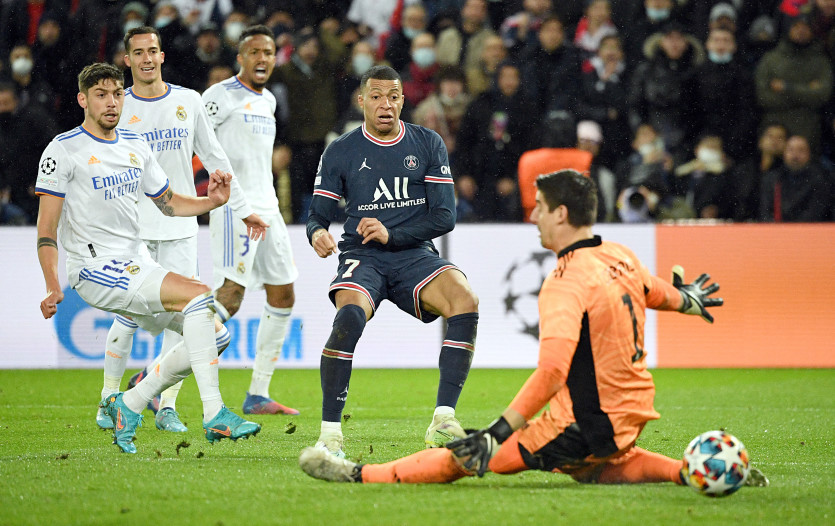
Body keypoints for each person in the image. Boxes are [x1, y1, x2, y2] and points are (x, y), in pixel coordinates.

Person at [298, 169, 767, 489]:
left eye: (540, 207)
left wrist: (497, 432)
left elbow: (552, 372)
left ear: (561, 214)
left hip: (584, 421)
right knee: (597, 464)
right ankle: (688, 472)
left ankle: (357, 474)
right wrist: (689, 301)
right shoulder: (619, 254)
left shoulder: (565, 281)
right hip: (633, 411)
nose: (532, 215)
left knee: (465, 457)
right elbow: (656, 291)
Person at [36, 62, 260, 454]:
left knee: (217, 335)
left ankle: (131, 401)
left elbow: (169, 203)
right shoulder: (63, 149)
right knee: (198, 295)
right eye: (101, 95)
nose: (111, 102)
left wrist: (212, 201)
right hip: (93, 268)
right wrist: (53, 285)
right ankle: (214, 414)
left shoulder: (135, 144)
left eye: (116, 93)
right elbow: (46, 229)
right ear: (83, 100)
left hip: (135, 262)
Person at [93, 26, 268, 433]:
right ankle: (108, 400)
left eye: (152, 50)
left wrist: (244, 211)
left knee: (189, 316)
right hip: (133, 231)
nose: (147, 58)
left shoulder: (188, 101)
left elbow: (216, 159)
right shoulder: (118, 108)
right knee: (127, 316)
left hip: (181, 230)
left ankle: (166, 405)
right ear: (127, 60)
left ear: (162, 55)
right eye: (139, 53)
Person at [306, 65, 479, 457]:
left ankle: (444, 420)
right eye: (377, 97)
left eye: (394, 97)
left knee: (465, 299)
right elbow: (317, 215)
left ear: (403, 101)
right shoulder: (341, 150)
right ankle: (330, 435)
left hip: (413, 253)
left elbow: (445, 217)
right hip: (362, 255)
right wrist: (316, 233)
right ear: (362, 101)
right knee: (349, 318)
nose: (385, 105)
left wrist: (392, 233)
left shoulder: (428, 143)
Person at [202, 25, 301, 416]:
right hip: (234, 209)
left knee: (283, 293)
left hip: (268, 208)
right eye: (255, 52)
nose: (263, 58)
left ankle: (258, 393)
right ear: (240, 57)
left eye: (269, 52)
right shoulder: (219, 95)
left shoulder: (270, 100)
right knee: (230, 295)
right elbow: (195, 140)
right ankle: (155, 377)